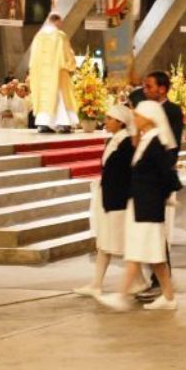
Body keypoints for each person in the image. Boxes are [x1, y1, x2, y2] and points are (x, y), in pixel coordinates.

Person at [99, 101, 180, 312]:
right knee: (155, 256)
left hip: (149, 207)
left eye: (138, 115)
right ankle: (169, 298)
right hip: (141, 204)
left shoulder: (156, 143)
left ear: (149, 117)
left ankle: (121, 295)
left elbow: (169, 175)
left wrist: (164, 196)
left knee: (137, 253)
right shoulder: (146, 140)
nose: (134, 119)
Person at [73, 105, 138, 297]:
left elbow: (126, 172)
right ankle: (97, 284)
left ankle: (137, 281)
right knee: (105, 242)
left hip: (119, 198)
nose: (106, 121)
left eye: (110, 118)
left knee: (119, 242)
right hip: (108, 195)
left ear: (120, 122)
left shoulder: (127, 143)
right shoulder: (112, 140)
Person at [137, 70, 184, 301]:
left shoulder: (172, 111)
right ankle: (146, 277)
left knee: (156, 230)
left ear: (162, 89)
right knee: (146, 231)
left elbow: (172, 146)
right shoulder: (143, 107)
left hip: (158, 175)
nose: (145, 90)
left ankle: (161, 281)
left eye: (150, 86)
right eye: (144, 86)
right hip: (145, 175)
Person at [27, 13, 78, 134]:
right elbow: (67, 53)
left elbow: (33, 57)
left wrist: (33, 71)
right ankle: (63, 123)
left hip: (41, 75)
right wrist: (71, 65)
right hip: (57, 73)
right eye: (61, 22)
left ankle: (44, 124)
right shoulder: (59, 35)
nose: (61, 25)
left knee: (44, 98)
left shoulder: (38, 36)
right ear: (57, 21)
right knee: (59, 96)